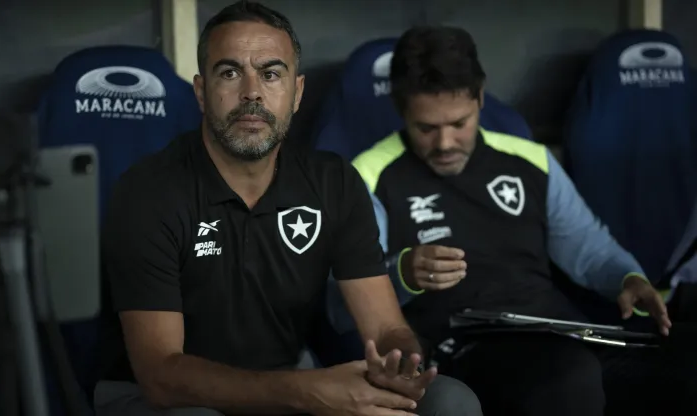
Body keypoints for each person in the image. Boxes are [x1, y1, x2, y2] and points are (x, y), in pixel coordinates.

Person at [92, 2, 482, 415]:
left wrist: (399, 364)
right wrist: (306, 390)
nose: (252, 92)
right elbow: (161, 376)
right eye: (229, 73)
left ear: (296, 93)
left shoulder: (333, 182)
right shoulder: (149, 192)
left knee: (448, 402)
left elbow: (385, 327)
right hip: (165, 400)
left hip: (290, 384)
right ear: (202, 93)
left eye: (271, 73)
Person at [329, 25, 697, 416]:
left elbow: (588, 249)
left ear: (480, 99)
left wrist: (628, 278)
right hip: (467, 347)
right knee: (568, 380)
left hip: (562, 333)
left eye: (459, 123)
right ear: (402, 110)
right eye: (427, 128)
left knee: (685, 369)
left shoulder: (530, 160)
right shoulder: (368, 176)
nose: (445, 144)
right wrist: (401, 270)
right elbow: (339, 299)